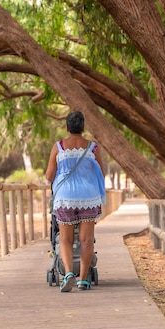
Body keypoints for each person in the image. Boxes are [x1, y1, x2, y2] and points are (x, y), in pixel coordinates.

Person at [45, 111, 106, 292]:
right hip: (89, 196)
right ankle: (83, 280)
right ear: (83, 127)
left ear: (67, 127)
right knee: (86, 240)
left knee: (65, 238)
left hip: (65, 197)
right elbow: (102, 173)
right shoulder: (92, 148)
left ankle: (69, 273)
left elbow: (49, 176)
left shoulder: (59, 147)